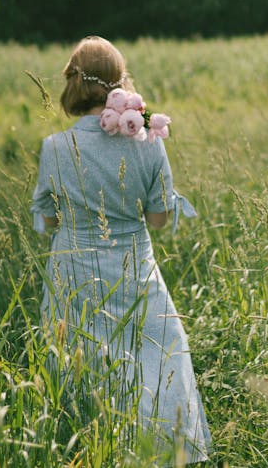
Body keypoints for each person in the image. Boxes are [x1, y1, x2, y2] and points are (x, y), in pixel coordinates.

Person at [31, 36, 212, 464]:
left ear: (74, 83)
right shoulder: (147, 139)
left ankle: (86, 452)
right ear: (119, 82)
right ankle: (157, 454)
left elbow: (48, 220)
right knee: (153, 365)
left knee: (80, 368)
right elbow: (159, 219)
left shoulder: (55, 148)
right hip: (135, 272)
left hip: (73, 274)